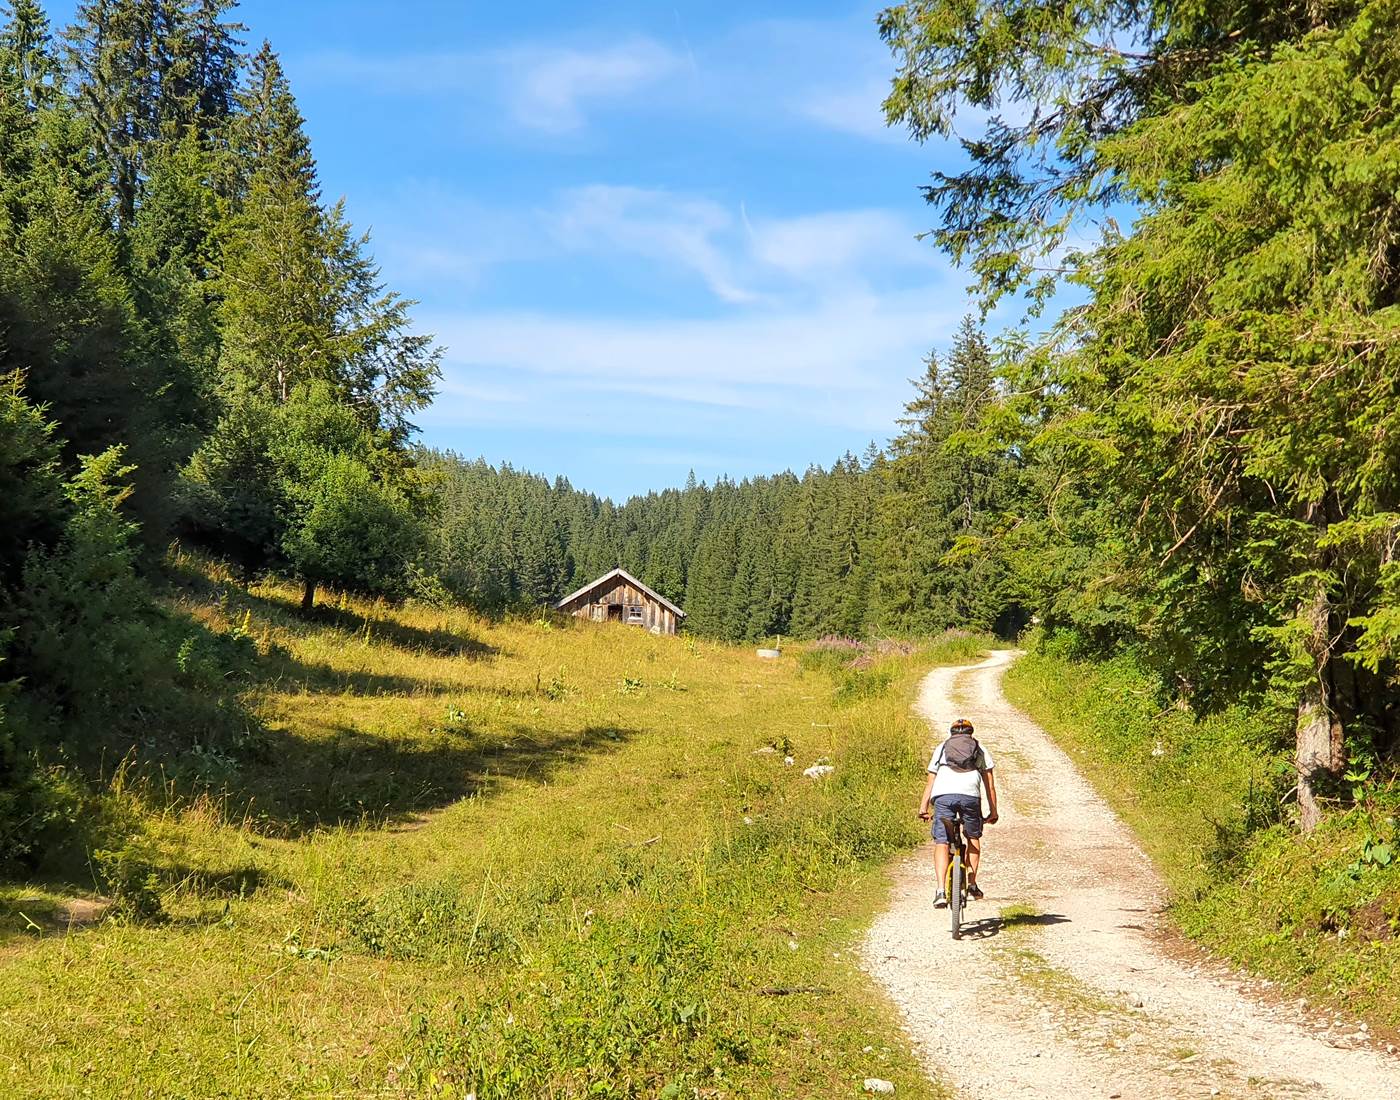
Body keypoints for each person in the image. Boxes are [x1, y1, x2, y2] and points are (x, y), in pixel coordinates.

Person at [916, 717, 998, 908]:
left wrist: (923, 808)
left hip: (944, 795)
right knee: (972, 837)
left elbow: (931, 781)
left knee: (942, 842)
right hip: (970, 796)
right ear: (971, 733)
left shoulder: (942, 748)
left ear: (951, 733)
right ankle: (972, 884)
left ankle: (940, 891)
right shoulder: (979, 748)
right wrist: (993, 811)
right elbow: (990, 786)